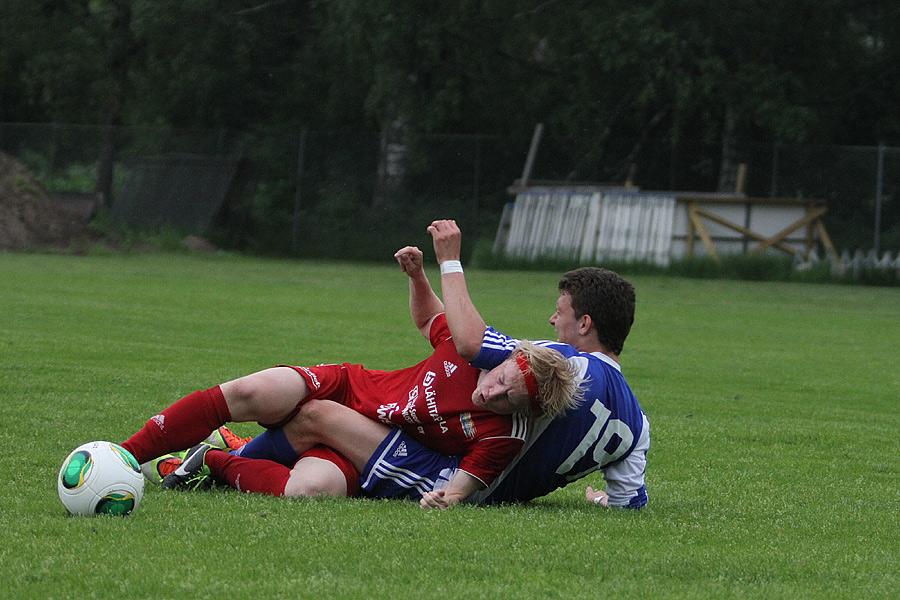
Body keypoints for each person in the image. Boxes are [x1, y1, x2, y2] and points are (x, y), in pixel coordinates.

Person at [196, 220, 649, 509]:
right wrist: (601, 501)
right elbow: (631, 500)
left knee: (317, 419)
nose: (552, 319)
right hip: (460, 466)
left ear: (585, 323)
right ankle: (228, 454)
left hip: (450, 477)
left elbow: (470, 342)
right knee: (320, 442)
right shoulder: (637, 423)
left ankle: (221, 457)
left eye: (561, 311)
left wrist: (449, 261)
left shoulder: (564, 366)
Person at [122, 244, 584, 506]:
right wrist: (418, 278)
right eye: (501, 379)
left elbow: (462, 488)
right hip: (351, 387)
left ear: (524, 411)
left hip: (374, 441)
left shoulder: (505, 435)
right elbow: (429, 322)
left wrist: (446, 499)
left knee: (307, 492)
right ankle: (123, 456)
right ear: (503, 360)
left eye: (508, 400)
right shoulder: (473, 349)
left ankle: (211, 460)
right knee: (250, 390)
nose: (493, 394)